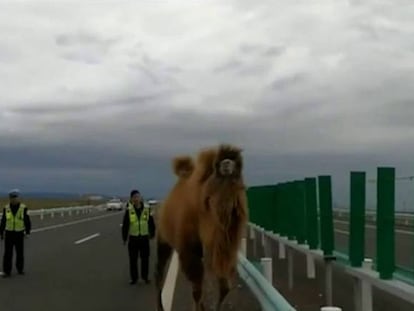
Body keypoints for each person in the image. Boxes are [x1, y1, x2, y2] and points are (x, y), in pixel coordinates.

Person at [121, 189, 155, 285]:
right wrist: (124, 238)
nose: (137, 199)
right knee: (133, 259)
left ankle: (145, 277)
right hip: (133, 238)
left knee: (145, 259)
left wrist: (152, 233)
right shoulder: (129, 210)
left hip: (144, 237)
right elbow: (125, 225)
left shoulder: (147, 209)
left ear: (140, 198)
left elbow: (151, 222)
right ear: (131, 199)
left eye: (138, 197)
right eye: (135, 197)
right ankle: (134, 278)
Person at [0, 189, 31, 278]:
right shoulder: (6, 208)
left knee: (19, 252)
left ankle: (20, 269)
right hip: (9, 233)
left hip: (19, 233)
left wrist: (27, 231)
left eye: (15, 197)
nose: (13, 199)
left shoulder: (23, 208)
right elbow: (3, 220)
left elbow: (27, 220)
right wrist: (1, 232)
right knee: (7, 253)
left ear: (18, 198)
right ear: (9, 198)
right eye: (11, 198)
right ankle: (7, 271)